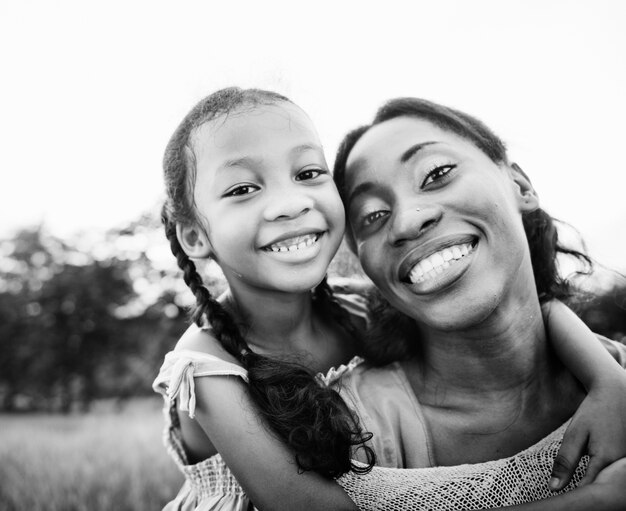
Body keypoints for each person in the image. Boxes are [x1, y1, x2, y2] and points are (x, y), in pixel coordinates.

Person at [153, 87, 626, 511]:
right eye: (242, 189)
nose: (291, 202)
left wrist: (608, 379)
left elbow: (534, 313)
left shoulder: (354, 306)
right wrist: (596, 499)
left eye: (308, 172)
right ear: (195, 236)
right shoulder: (205, 366)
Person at [330, 96, 626, 509]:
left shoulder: (617, 377)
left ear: (520, 187)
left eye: (436, 173)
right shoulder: (349, 431)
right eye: (373, 215)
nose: (407, 221)